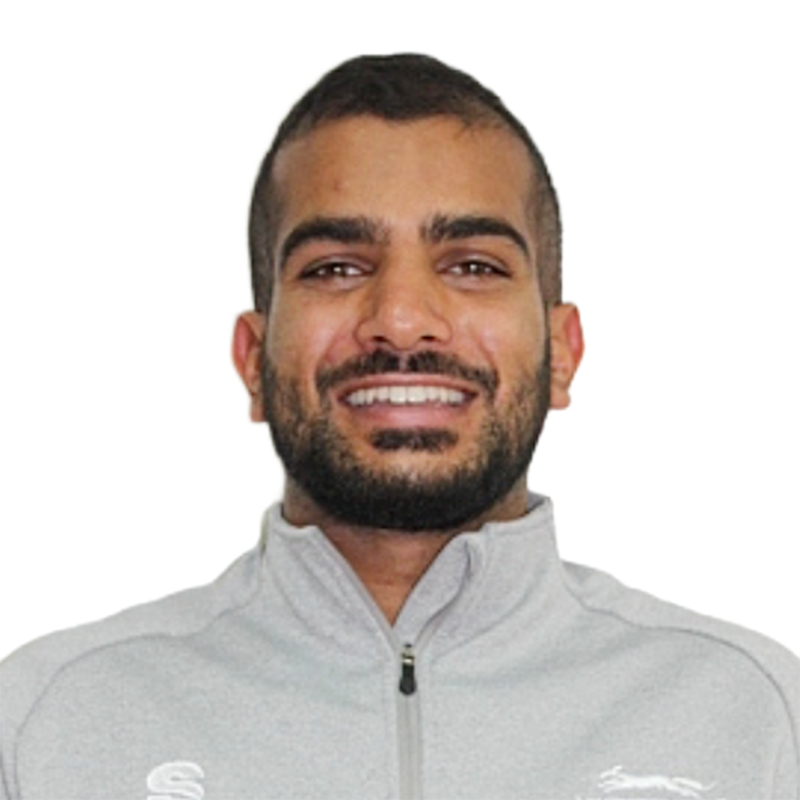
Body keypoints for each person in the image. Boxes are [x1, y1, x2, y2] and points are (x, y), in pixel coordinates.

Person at [1, 53, 798, 800]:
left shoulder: (757, 718)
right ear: (252, 361)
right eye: (336, 267)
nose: (403, 319)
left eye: (473, 266)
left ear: (562, 353)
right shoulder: (46, 722)